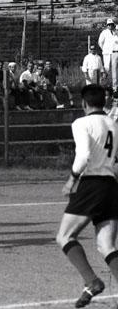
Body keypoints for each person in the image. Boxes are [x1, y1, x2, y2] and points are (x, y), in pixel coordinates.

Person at [55, 84, 118, 309]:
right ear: (104, 101)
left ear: (84, 103)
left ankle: (92, 281)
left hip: (92, 184)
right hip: (111, 186)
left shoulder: (81, 123)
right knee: (106, 245)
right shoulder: (113, 124)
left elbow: (83, 156)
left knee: (64, 236)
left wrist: (72, 180)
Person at [98, 18, 118, 90]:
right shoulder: (104, 32)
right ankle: (103, 85)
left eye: (111, 24)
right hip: (107, 53)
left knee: (114, 70)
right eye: (109, 25)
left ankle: (114, 87)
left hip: (115, 53)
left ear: (113, 25)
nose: (110, 26)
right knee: (106, 69)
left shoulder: (116, 32)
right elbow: (100, 42)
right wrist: (104, 49)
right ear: (107, 25)